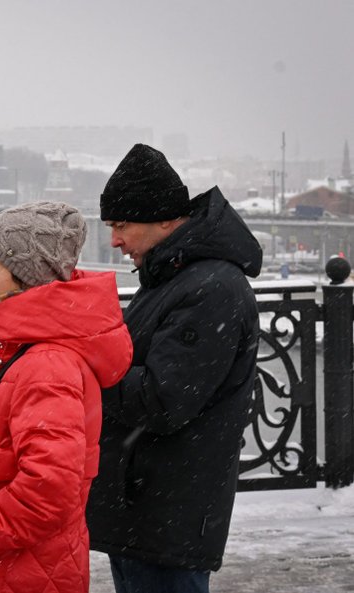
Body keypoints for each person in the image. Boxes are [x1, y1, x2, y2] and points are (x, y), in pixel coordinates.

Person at [0, 202, 132, 593]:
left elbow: (49, 492)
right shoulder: (17, 349)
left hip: (8, 571)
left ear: (26, 278)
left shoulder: (46, 364)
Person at [87, 144, 263, 593]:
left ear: (165, 219)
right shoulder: (173, 276)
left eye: (122, 225)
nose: (114, 241)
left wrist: (85, 370)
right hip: (145, 510)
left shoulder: (210, 288)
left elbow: (161, 401)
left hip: (167, 515)